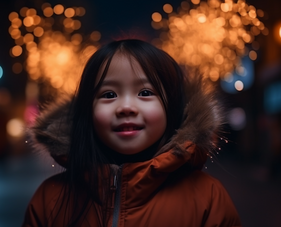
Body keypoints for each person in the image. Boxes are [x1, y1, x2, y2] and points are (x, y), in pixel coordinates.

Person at [22, 39, 241, 227]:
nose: (126, 107)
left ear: (173, 108)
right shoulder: (49, 197)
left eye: (145, 92)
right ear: (87, 111)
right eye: (108, 94)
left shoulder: (208, 196)